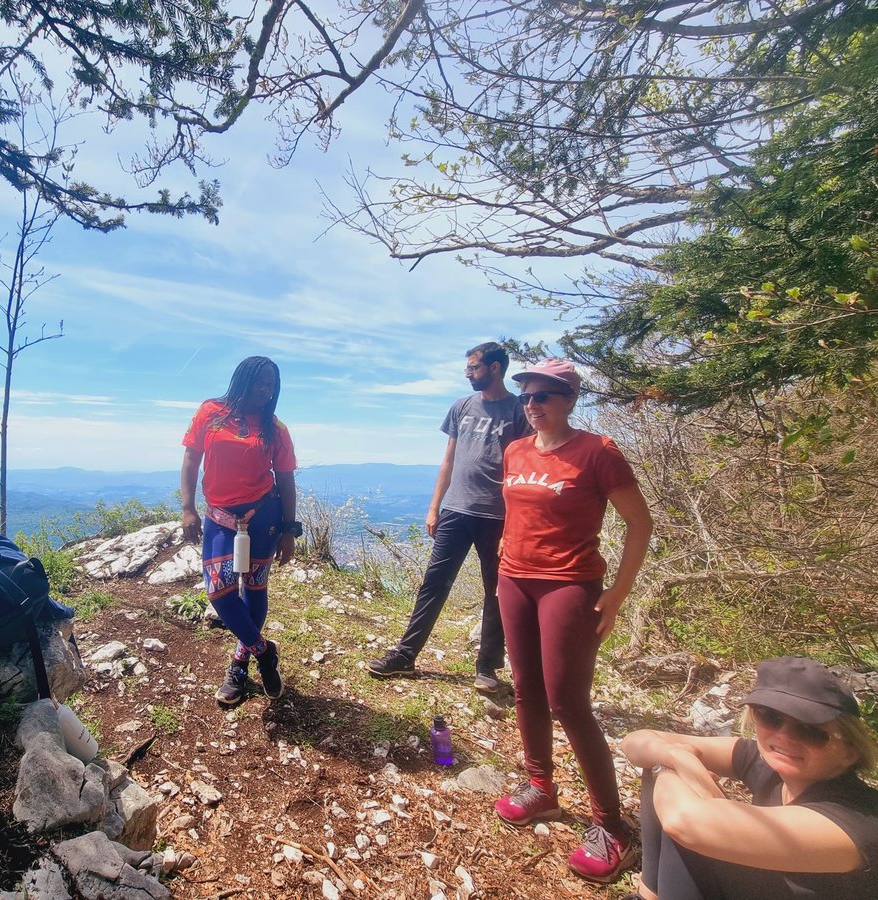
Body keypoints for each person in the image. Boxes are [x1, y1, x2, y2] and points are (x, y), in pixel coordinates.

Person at [493, 357, 654, 883]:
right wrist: (502, 567)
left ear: (568, 400)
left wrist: (618, 592)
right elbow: (517, 515)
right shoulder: (515, 450)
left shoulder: (597, 451)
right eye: (526, 397)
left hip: (569, 583)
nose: (532, 405)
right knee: (525, 688)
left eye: (543, 396)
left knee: (568, 700)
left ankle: (613, 827)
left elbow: (639, 522)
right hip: (515, 580)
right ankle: (541, 787)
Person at [621, 656, 878, 899]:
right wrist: (674, 756)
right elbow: (636, 741)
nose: (783, 737)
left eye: (809, 730)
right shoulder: (770, 762)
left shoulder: (857, 819)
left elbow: (685, 822)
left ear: (850, 753)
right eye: (770, 716)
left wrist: (665, 767)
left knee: (699, 829)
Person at [367, 342, 530, 690]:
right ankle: (405, 656)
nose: (468, 373)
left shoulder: (519, 411)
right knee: (434, 584)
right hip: (456, 509)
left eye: (473, 367)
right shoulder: (461, 406)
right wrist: (434, 506)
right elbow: (448, 459)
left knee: (496, 591)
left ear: (495, 368)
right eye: (468, 368)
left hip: (498, 516)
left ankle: (487, 667)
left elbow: (526, 466)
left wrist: (516, 522)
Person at [180, 356, 300, 707]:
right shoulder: (210, 412)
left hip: (264, 516)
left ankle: (239, 663)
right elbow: (190, 460)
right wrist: (188, 508)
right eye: (260, 382)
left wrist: (290, 530)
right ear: (242, 379)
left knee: (254, 587)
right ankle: (264, 652)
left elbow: (287, 480)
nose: (266, 390)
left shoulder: (275, 429)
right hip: (219, 517)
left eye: (272, 385)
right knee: (219, 592)